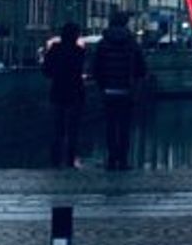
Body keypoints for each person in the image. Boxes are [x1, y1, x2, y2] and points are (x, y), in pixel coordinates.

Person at [89, 11, 149, 172]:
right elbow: (141, 68)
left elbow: (95, 68)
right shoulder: (131, 43)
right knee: (124, 126)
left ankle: (111, 158)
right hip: (126, 90)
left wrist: (101, 86)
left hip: (108, 90)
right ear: (125, 24)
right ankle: (122, 159)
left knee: (110, 124)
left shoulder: (102, 43)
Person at [42, 19, 88, 169]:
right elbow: (81, 70)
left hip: (58, 91)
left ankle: (55, 159)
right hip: (75, 92)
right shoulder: (79, 52)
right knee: (73, 128)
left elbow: (46, 71)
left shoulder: (54, 50)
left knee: (58, 128)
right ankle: (70, 159)